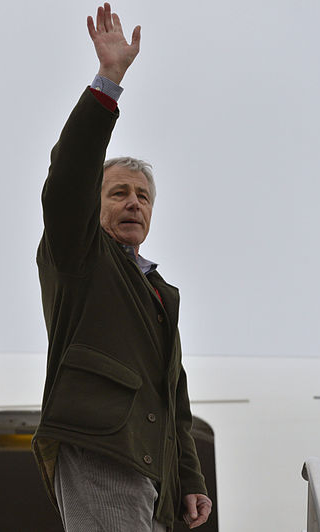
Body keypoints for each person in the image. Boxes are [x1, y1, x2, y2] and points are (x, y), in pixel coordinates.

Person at [32, 3, 213, 531]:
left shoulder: (162, 292)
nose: (134, 203)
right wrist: (108, 81)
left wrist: (191, 477)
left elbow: (172, 394)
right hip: (101, 445)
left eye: (143, 196)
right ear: (95, 202)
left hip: (154, 473)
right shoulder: (80, 252)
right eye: (118, 193)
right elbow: (68, 179)